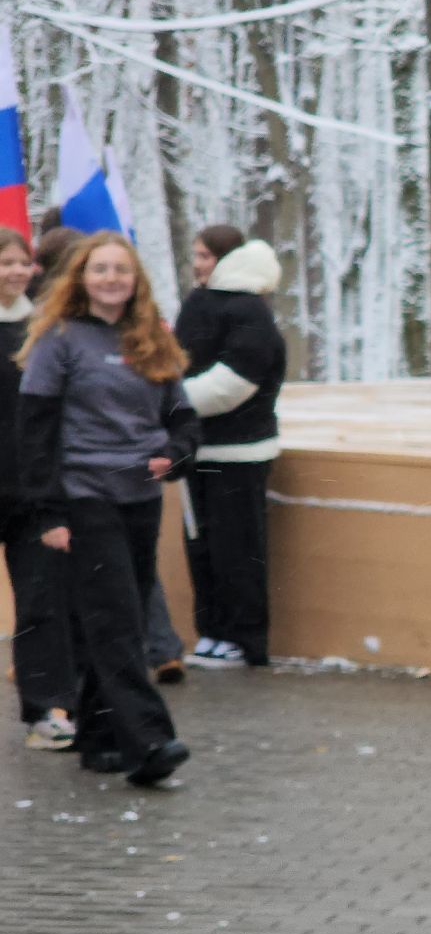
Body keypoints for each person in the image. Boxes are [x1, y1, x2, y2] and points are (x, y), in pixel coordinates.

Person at [18, 232, 199, 786]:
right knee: (119, 619)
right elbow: (35, 431)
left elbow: (183, 418)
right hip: (83, 495)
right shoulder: (60, 339)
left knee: (115, 616)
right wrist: (49, 514)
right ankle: (148, 742)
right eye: (100, 269)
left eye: (121, 269)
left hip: (141, 498)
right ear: (81, 278)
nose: (111, 278)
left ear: (135, 280)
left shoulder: (152, 338)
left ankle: (99, 740)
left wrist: (175, 455)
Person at [172, 225, 284, 669]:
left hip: (239, 452)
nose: (197, 264)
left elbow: (235, 381)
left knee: (238, 549)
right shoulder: (205, 302)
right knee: (203, 547)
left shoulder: (247, 310)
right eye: (195, 255)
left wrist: (169, 399)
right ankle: (213, 631)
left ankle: (244, 637)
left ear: (228, 258)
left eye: (204, 256)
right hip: (198, 448)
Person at [0, 229, 79, 751]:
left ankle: (45, 711)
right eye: (4, 262)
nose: (14, 271)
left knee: (41, 605)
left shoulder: (46, 329)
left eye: (21, 262)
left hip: (32, 492)